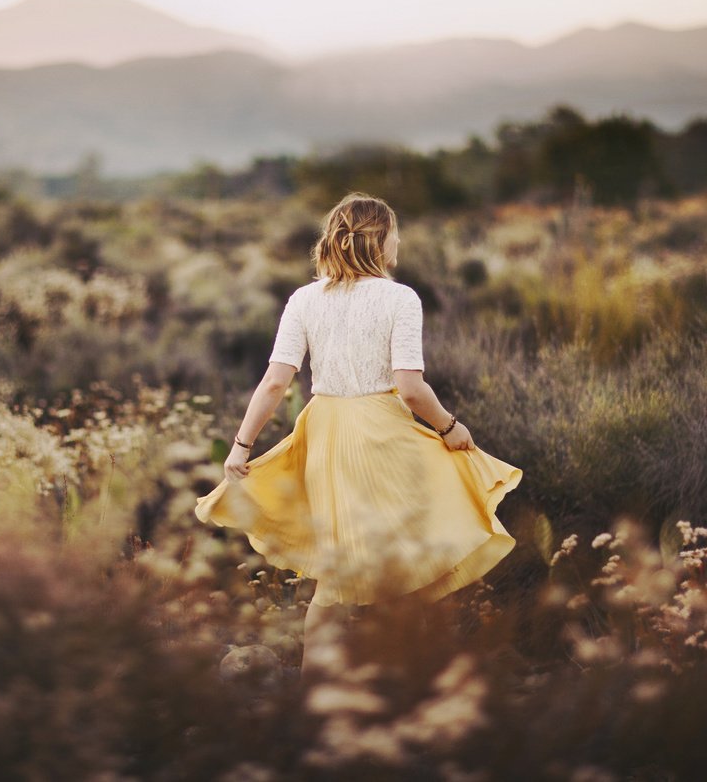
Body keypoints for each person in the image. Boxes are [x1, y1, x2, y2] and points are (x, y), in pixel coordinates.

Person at [194, 191, 522, 679]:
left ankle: (314, 686)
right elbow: (411, 388)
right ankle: (412, 678)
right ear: (378, 239)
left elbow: (275, 383)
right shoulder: (400, 298)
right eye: (395, 232)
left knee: (336, 569)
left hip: (325, 431)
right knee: (410, 551)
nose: (400, 240)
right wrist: (452, 428)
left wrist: (241, 447)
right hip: (382, 433)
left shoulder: (303, 299)